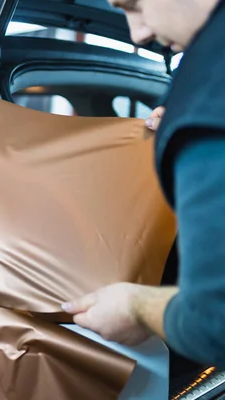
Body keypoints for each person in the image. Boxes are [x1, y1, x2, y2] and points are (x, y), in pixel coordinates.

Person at [62, 0, 225, 368]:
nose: (138, 33)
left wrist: (135, 307)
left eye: (133, 4)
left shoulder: (206, 104)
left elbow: (214, 321)